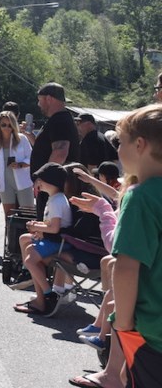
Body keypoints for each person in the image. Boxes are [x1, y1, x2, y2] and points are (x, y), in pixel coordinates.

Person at [107, 103, 162, 387]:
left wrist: (123, 325)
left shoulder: (140, 197)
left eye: (120, 142)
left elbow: (127, 268)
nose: (117, 150)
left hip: (153, 335)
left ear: (139, 144)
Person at [13, 163, 74, 316]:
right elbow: (52, 224)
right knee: (25, 243)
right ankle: (38, 291)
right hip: (55, 241)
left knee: (30, 259)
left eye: (40, 179)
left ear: (50, 181)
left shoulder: (57, 201)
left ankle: (48, 294)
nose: (37, 183)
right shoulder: (55, 198)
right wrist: (37, 225)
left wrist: (39, 228)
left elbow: (54, 228)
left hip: (58, 243)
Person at [0, 109, 34, 252]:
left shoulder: (21, 139)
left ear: (14, 126)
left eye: (9, 125)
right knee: (9, 218)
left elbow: (32, 158)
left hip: (22, 181)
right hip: (5, 183)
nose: (6, 128)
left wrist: (21, 164)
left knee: (27, 216)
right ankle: (11, 248)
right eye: (3, 125)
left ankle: (28, 248)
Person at [30, 82, 81, 220]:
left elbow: (60, 152)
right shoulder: (60, 119)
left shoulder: (59, 121)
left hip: (52, 189)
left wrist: (44, 179)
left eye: (40, 100)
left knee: (47, 230)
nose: (38, 105)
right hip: (53, 188)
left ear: (49, 98)